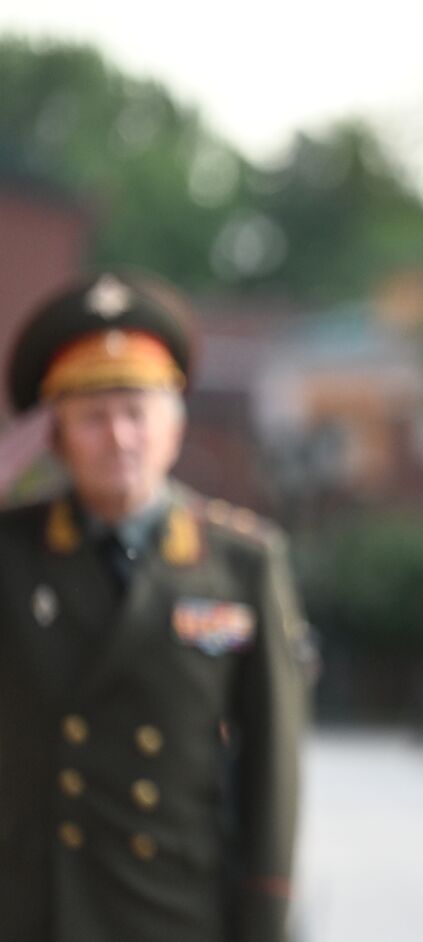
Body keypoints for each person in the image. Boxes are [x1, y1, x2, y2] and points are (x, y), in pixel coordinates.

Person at [0, 271, 308, 942]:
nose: (118, 438)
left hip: (173, 905)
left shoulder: (242, 563)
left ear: (175, 427)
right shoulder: (11, 551)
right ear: (55, 437)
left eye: (136, 411)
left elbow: (272, 765)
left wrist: (266, 915)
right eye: (92, 417)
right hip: (34, 904)